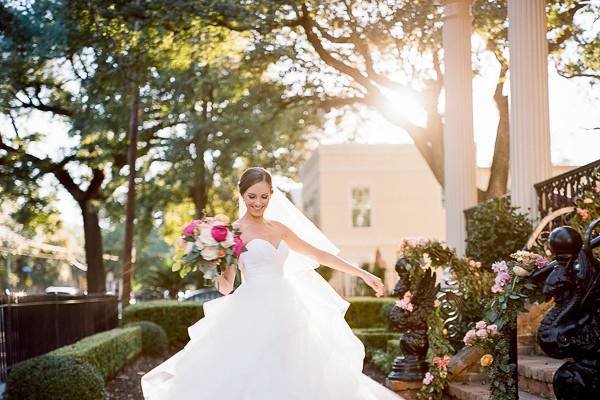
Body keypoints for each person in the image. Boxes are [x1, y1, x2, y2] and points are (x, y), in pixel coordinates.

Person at [141, 167, 404, 399]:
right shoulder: (232, 232)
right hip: (252, 310)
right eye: (252, 196)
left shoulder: (278, 228)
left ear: (271, 195)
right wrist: (210, 264)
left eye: (264, 196)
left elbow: (320, 255)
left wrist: (362, 273)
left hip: (289, 307)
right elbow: (226, 287)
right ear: (242, 195)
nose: (258, 202)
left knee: (298, 371)